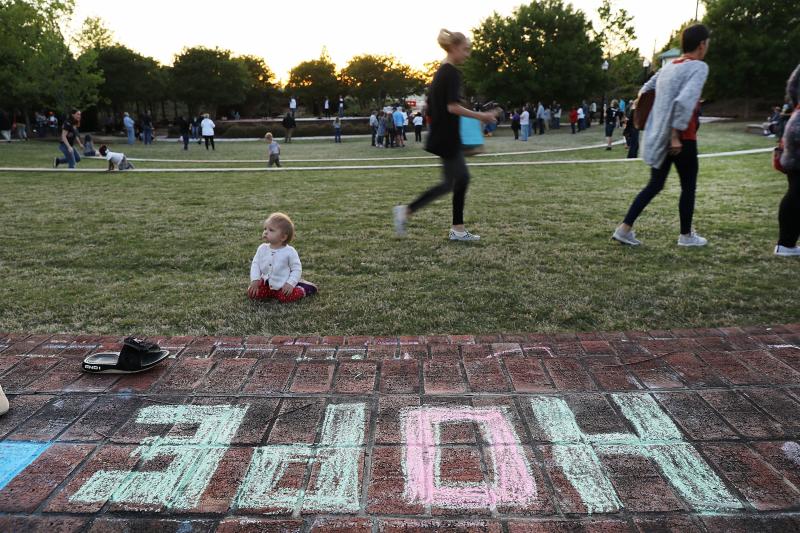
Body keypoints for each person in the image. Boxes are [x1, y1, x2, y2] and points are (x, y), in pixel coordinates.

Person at [613, 24, 712, 248]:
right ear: (701, 44)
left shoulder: (667, 68)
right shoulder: (698, 67)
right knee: (688, 187)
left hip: (660, 136)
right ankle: (686, 236)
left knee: (654, 185)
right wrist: (675, 134)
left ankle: (624, 229)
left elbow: (645, 90)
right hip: (682, 138)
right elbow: (684, 101)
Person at [393, 29, 496, 242]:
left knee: (456, 181)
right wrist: (481, 116)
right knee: (457, 181)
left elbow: (433, 106)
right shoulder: (451, 73)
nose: (467, 54)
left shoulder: (441, 71)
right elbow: (452, 107)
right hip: (447, 137)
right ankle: (409, 211)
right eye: (465, 49)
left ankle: (455, 228)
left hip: (443, 135)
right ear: (455, 48)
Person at [247, 212, 318, 303]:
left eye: (271, 230)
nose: (265, 232)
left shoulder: (289, 252)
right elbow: (255, 264)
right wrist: (255, 280)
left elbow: (296, 269)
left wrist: (290, 284)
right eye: (265, 229)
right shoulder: (262, 249)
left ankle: (303, 288)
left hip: (283, 285)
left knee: (285, 297)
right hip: (266, 284)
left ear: (283, 237)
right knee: (253, 293)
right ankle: (267, 292)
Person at [775, 64, 800, 257]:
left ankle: (787, 244)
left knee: (796, 190)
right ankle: (786, 244)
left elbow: (792, 85)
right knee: (796, 191)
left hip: (795, 123)